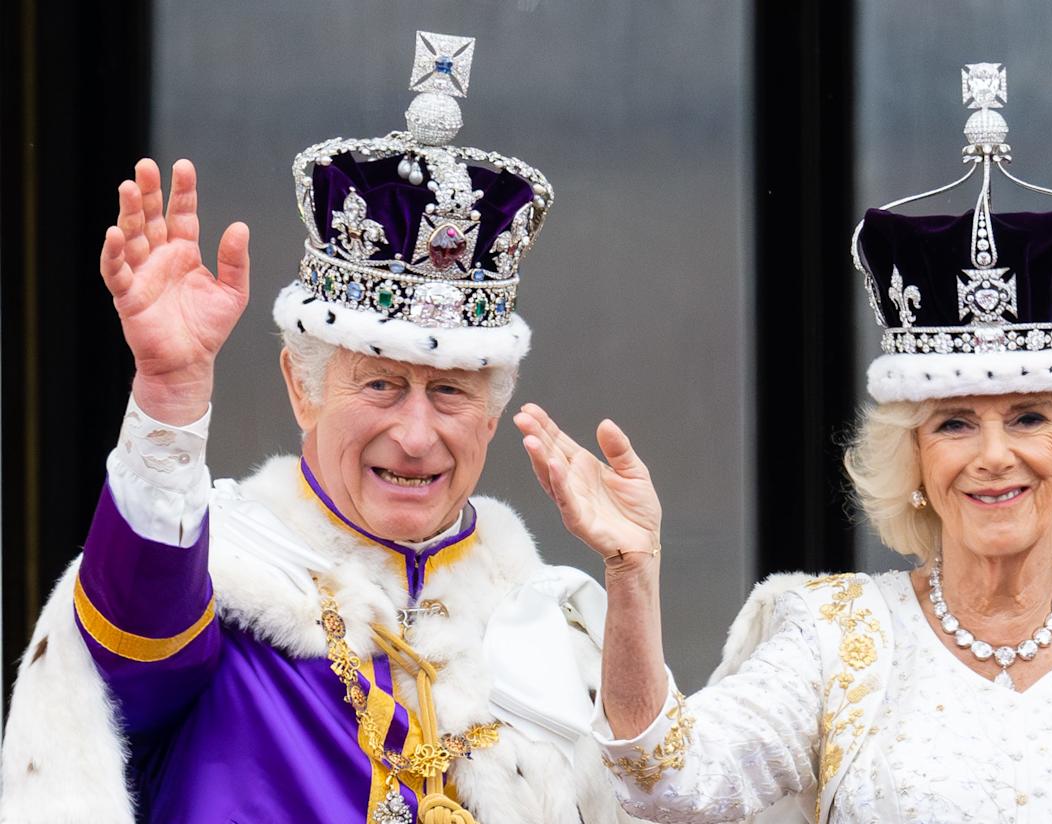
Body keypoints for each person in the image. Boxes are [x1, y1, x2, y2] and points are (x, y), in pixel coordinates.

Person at [514, 63, 1052, 821]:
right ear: (915, 461)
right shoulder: (833, 636)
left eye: (1029, 416)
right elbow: (665, 782)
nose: (994, 454)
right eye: (955, 422)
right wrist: (633, 570)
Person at [1, 32, 643, 824]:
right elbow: (133, 630)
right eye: (380, 384)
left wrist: (635, 577)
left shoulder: (551, 634)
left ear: (494, 411)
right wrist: (170, 400)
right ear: (300, 390)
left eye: (449, 392)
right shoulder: (220, 586)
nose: (414, 435)